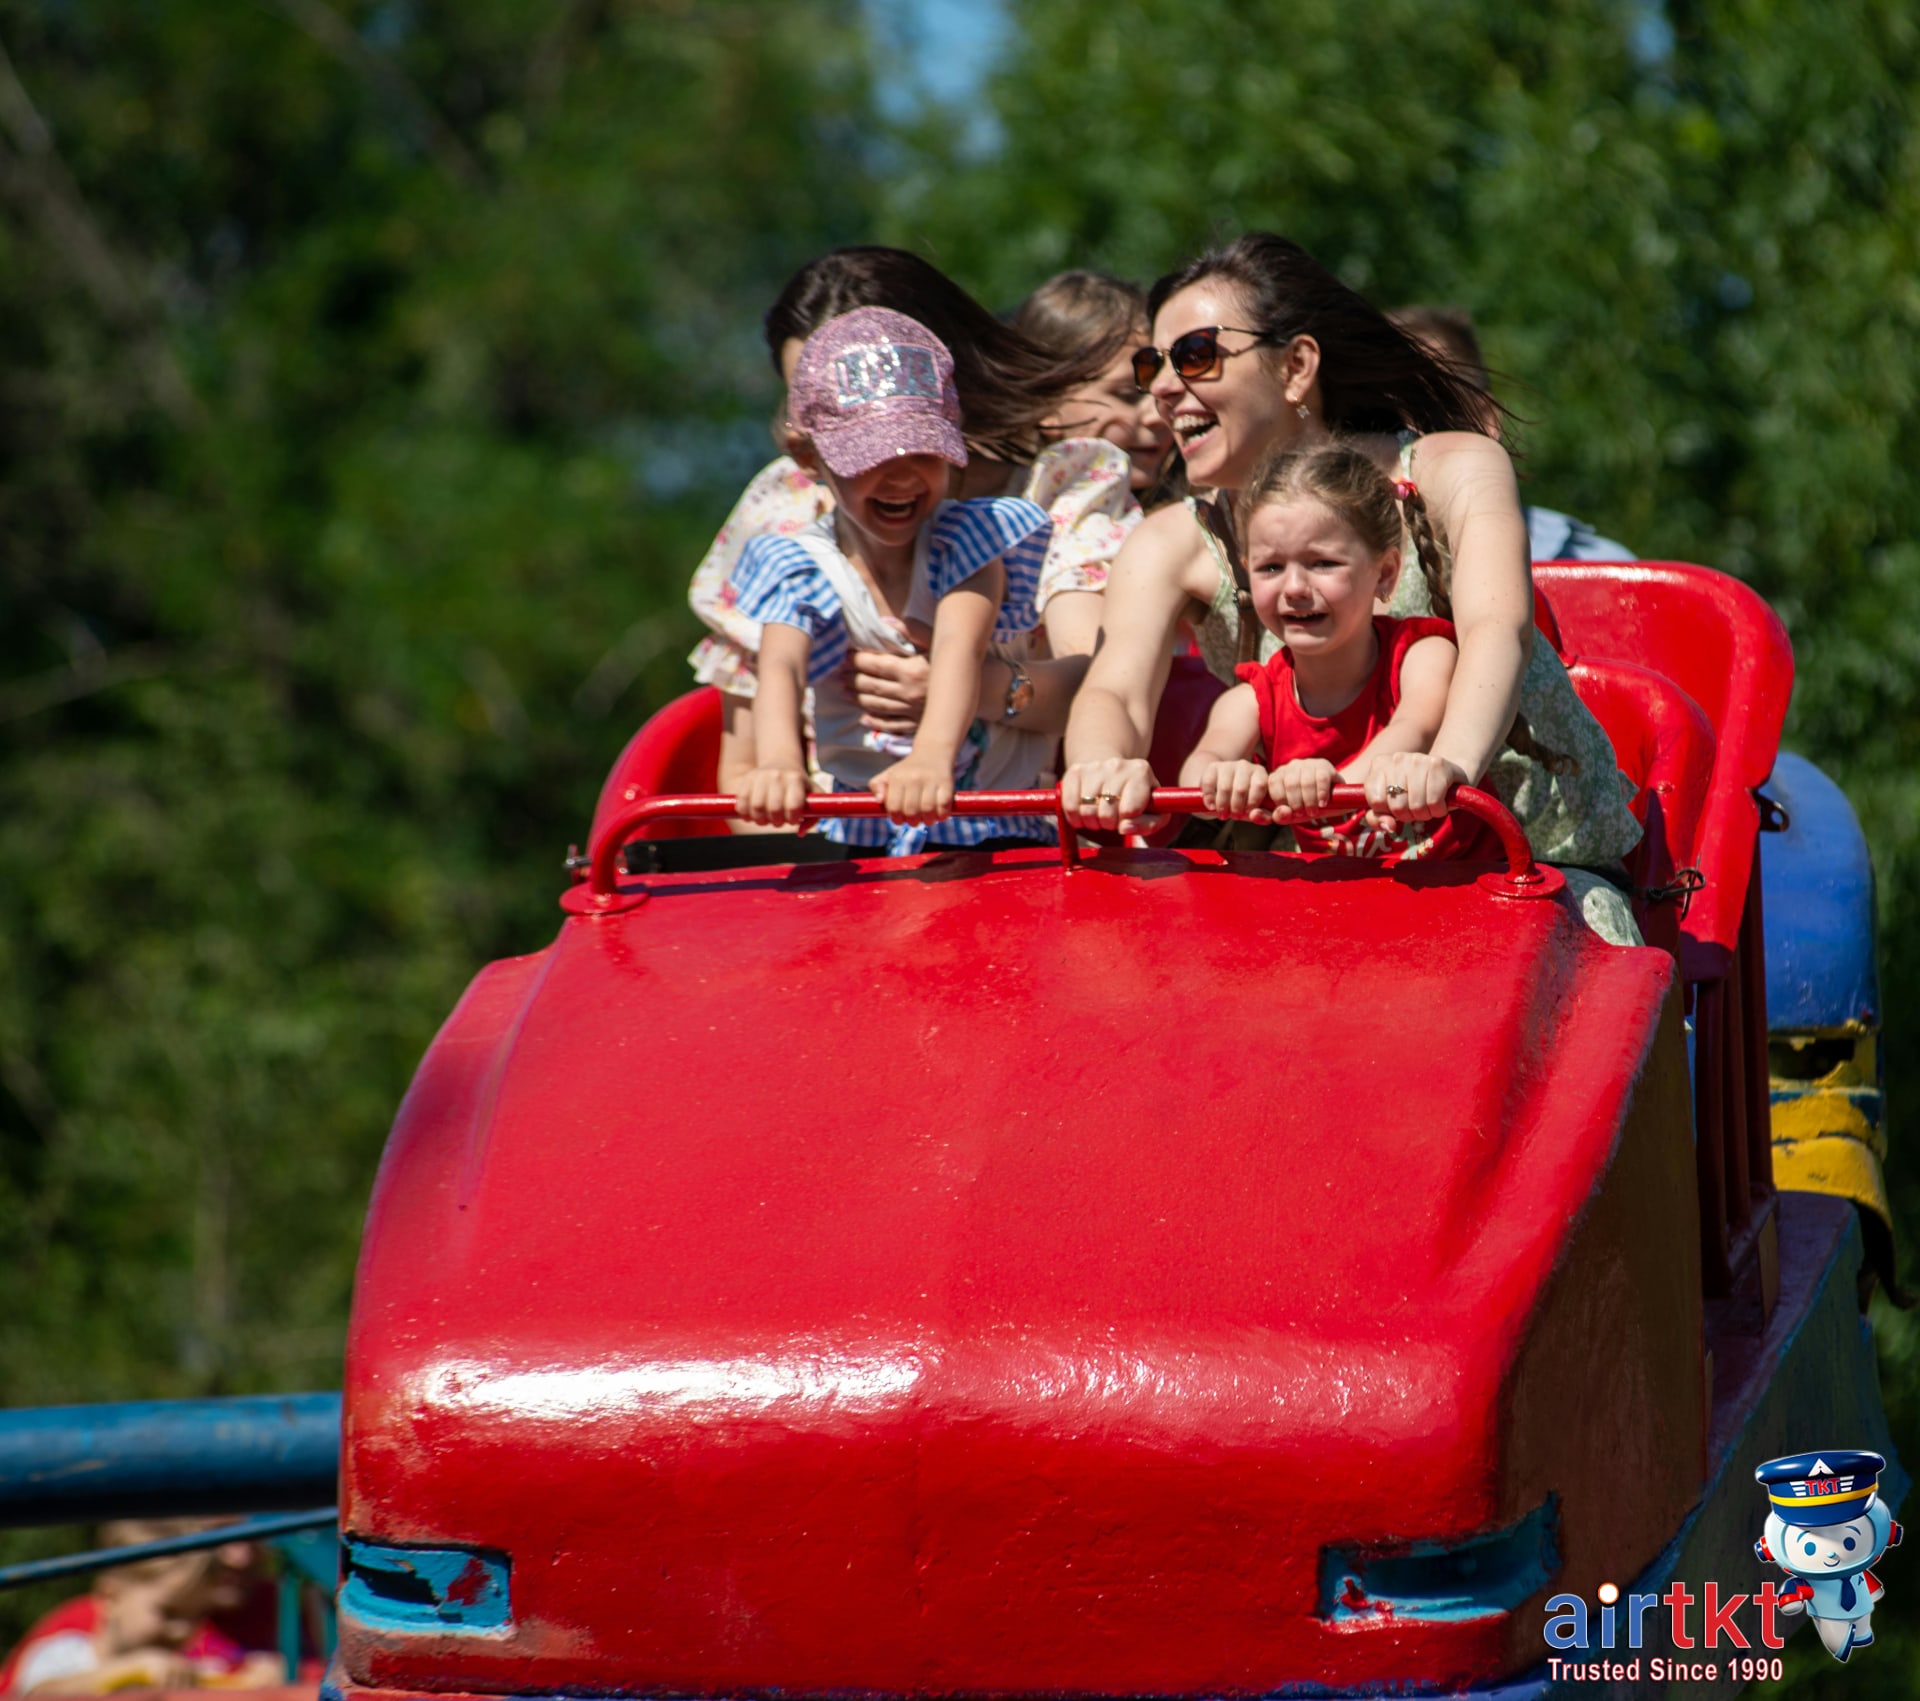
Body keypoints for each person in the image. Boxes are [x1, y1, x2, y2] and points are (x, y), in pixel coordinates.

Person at [1061, 233, 1641, 941]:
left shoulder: (1451, 468)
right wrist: (1099, 773)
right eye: (1153, 363)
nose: (1159, 388)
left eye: (1195, 355)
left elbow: (1498, 630)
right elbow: (1115, 688)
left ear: (1297, 365)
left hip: (1525, 867)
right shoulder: (1168, 540)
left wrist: (1443, 769)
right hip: (1320, 883)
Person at [688, 248, 1141, 801]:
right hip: (832, 834)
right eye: (809, 401)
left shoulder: (1054, 489)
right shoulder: (785, 508)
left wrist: (966, 689)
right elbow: (742, 771)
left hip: (1006, 821)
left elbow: (1101, 683)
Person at [731, 308, 1055, 855]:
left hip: (988, 824)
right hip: (861, 827)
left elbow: (958, 648)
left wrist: (932, 755)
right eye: (872, 456)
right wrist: (780, 765)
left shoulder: (966, 544)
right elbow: (780, 667)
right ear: (810, 458)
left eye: (923, 452)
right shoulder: (801, 564)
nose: (901, 474)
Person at [1181, 444, 1500, 863]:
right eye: (1271, 567)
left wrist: (1328, 786)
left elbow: (1415, 725)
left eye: (1323, 563)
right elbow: (1196, 774)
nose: (1294, 587)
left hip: (1466, 885)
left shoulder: (1422, 655)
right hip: (1344, 905)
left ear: (1384, 573)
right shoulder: (1252, 699)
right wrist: (1226, 781)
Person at [1386, 305, 1634, 561]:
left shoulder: (1605, 570)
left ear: (1485, 420)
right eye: (1384, 424)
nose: (1409, 445)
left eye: (1430, 414)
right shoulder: (1353, 581)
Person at [0, 1520, 283, 1696]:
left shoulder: (178, 1664)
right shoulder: (65, 1654)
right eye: (167, 1613)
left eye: (194, 1616)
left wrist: (256, 1676)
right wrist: (126, 1672)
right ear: (110, 1597)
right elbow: (37, 1693)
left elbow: (219, 1677)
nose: (182, 1630)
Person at [1013, 270, 1174, 498]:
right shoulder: (1003, 519)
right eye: (1128, 395)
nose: (1158, 415)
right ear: (1046, 404)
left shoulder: (1194, 517)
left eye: (1165, 393)